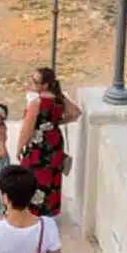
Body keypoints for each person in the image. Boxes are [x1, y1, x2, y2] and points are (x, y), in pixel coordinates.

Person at [16, 67, 81, 217]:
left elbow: (27, 129)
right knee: (52, 176)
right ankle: (48, 212)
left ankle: (33, 213)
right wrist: (56, 123)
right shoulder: (59, 98)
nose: (31, 82)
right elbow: (76, 113)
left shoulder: (36, 103)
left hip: (38, 146)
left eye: (35, 81)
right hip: (55, 142)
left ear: (44, 85)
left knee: (32, 177)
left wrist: (19, 147)